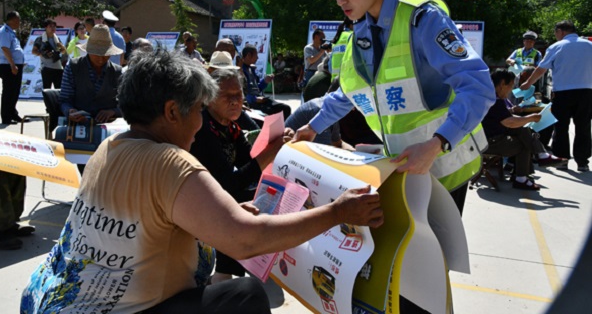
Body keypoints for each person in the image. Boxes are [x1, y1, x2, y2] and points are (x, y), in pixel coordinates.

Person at [21, 49, 383, 313]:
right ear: (171, 111)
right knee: (245, 296)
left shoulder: (110, 147)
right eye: (197, 110)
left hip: (52, 301)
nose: (200, 122)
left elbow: (146, 218)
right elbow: (245, 240)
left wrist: (216, 218)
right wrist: (338, 212)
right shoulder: (170, 162)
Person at [294, 0, 495, 215]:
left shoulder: (423, 19)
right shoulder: (361, 28)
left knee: (437, 257)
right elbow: (351, 92)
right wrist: (312, 128)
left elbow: (478, 87)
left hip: (444, 164)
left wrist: (437, 144)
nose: (339, 0)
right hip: (405, 167)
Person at [190, 67, 293, 285]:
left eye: (239, 94)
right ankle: (224, 274)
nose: (236, 101)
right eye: (228, 96)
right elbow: (228, 184)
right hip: (196, 199)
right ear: (209, 98)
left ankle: (235, 269)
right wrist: (269, 154)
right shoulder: (203, 129)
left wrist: (280, 142)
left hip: (218, 192)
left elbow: (248, 161)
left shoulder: (230, 125)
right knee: (239, 203)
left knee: (269, 195)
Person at [520, 20, 592, 172]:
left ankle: (562, 159)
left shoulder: (556, 46)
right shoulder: (589, 45)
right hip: (586, 92)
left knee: (561, 127)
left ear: (561, 31)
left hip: (563, 92)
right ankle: (582, 161)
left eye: (556, 33)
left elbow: (541, 69)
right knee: (583, 127)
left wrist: (527, 83)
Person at [482, 69, 566, 190]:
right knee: (524, 143)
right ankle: (522, 177)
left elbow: (508, 118)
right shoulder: (495, 101)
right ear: (502, 84)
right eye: (510, 86)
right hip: (490, 142)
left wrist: (528, 119)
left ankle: (539, 158)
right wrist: (530, 118)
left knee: (523, 131)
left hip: (491, 136)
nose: (511, 90)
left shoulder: (490, 97)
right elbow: (509, 122)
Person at [59, 24, 123, 124]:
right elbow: (64, 100)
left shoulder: (117, 72)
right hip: (78, 125)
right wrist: (70, 111)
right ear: (88, 51)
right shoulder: (73, 67)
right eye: (97, 54)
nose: (101, 59)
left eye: (105, 54)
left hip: (107, 126)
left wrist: (113, 111)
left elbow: (127, 105)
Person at [241, 44, 292, 119]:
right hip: (251, 103)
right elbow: (242, 93)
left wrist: (265, 81)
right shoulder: (241, 71)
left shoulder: (251, 69)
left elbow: (256, 89)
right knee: (270, 113)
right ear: (249, 55)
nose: (257, 58)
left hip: (260, 100)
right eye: (256, 55)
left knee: (285, 108)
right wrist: (255, 99)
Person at [0, 11, 26, 125]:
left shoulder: (11, 32)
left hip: (15, 65)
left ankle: (13, 113)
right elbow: (5, 49)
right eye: (18, 20)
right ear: (12, 20)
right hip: (8, 65)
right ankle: (6, 117)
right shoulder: (4, 32)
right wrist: (13, 65)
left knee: (15, 91)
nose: (19, 22)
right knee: (9, 92)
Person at [32, 18, 67, 89]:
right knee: (47, 89)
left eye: (54, 26)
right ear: (46, 27)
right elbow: (33, 51)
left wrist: (62, 46)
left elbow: (63, 52)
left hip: (58, 67)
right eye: (50, 26)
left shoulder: (57, 39)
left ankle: (57, 101)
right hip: (46, 67)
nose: (53, 28)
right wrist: (43, 54)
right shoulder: (40, 39)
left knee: (59, 89)